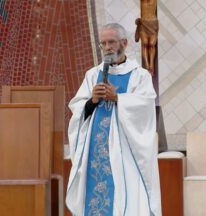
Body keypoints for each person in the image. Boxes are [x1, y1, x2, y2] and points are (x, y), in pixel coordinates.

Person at [66, 23, 161, 216]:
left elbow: (146, 107)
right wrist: (91, 101)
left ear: (124, 43)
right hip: (96, 149)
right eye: (103, 43)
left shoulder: (139, 75)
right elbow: (77, 108)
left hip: (126, 149)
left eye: (111, 42)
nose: (107, 47)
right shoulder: (92, 75)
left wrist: (119, 98)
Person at [135, 0, 158, 74]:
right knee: (144, 44)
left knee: (151, 45)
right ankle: (147, 66)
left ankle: (151, 65)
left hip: (153, 23)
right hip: (143, 22)